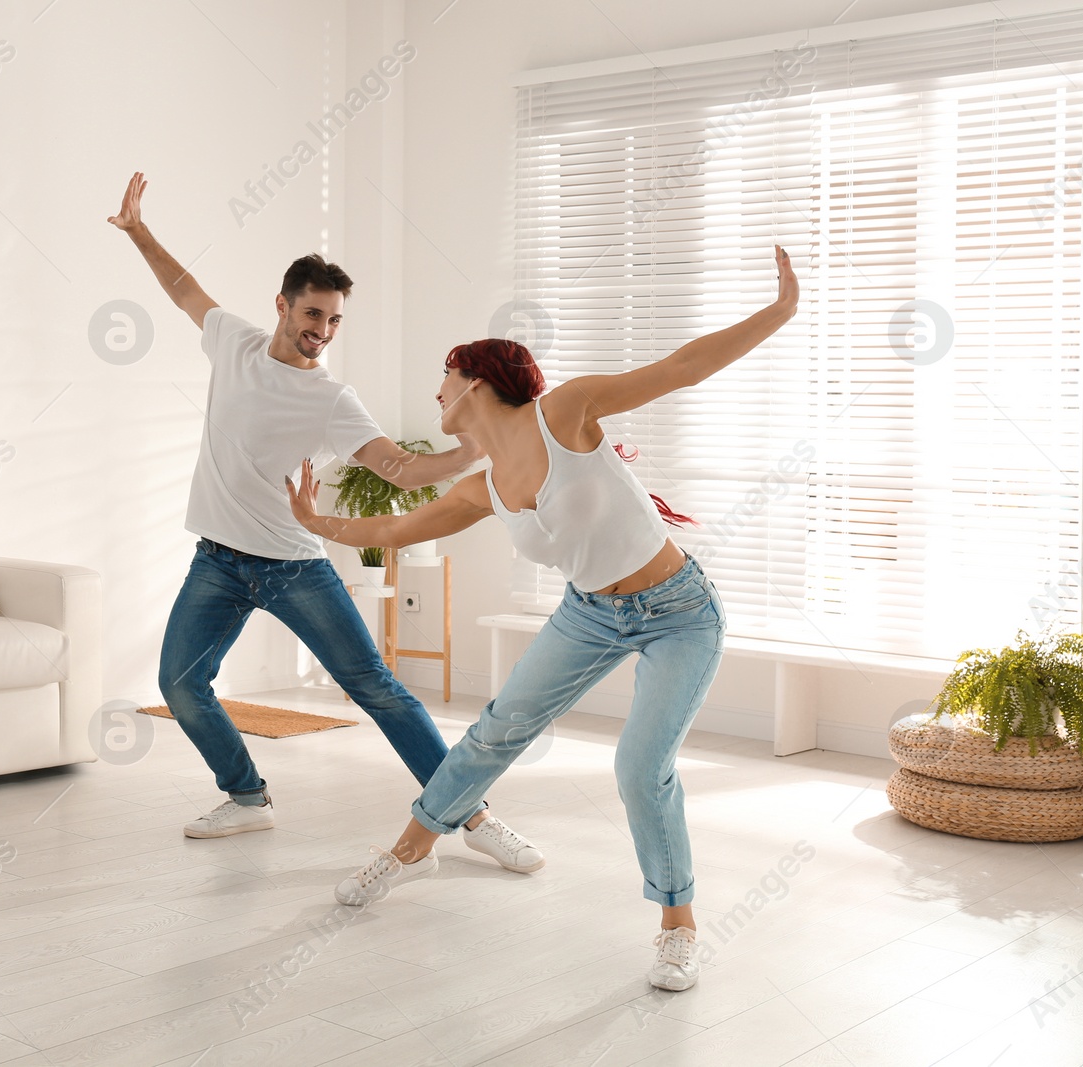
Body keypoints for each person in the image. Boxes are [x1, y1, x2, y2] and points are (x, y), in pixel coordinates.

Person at [286, 247, 800, 991]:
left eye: (443, 378)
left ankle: (678, 926)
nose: (435, 394)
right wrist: (317, 522)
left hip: (679, 613)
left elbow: (681, 367)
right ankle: (409, 850)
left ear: (474, 379)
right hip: (589, 614)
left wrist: (778, 313)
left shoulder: (565, 412)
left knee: (639, 766)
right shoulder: (483, 486)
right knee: (497, 729)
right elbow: (396, 531)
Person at [106, 172, 541, 873]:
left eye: (335, 320)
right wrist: (138, 232)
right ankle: (248, 797)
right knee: (181, 684)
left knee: (374, 686)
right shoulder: (234, 344)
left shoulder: (332, 397)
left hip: (290, 565)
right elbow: (183, 287)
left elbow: (398, 468)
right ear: (282, 306)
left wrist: (469, 451)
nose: (322, 331)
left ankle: (474, 815)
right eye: (313, 315)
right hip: (216, 560)